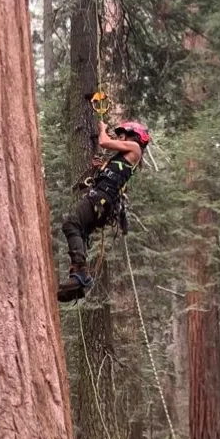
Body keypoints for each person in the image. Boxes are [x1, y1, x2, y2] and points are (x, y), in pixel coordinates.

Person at [57, 118, 151, 303]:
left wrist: (102, 129)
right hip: (101, 199)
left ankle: (81, 273)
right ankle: (78, 279)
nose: (121, 137)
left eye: (123, 134)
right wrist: (101, 167)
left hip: (101, 198)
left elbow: (104, 142)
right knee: (80, 230)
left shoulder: (135, 148)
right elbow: (112, 174)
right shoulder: (123, 157)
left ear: (134, 135)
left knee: (71, 225)